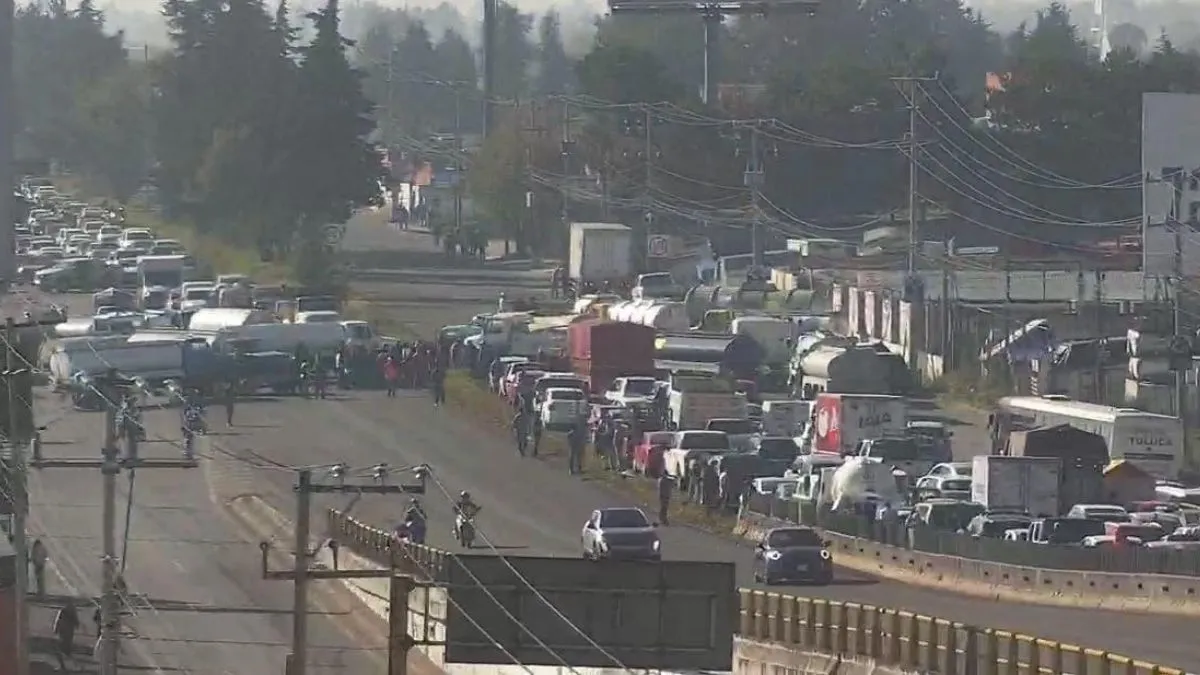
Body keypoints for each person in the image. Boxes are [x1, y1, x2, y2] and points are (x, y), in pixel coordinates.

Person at [54, 598, 80, 669]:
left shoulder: (63, 611)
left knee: (60, 650)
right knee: (66, 651)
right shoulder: (72, 612)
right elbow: (76, 622)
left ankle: (63, 665)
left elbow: (58, 621)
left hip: (63, 633)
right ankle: (75, 665)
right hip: (68, 633)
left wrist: (56, 629)